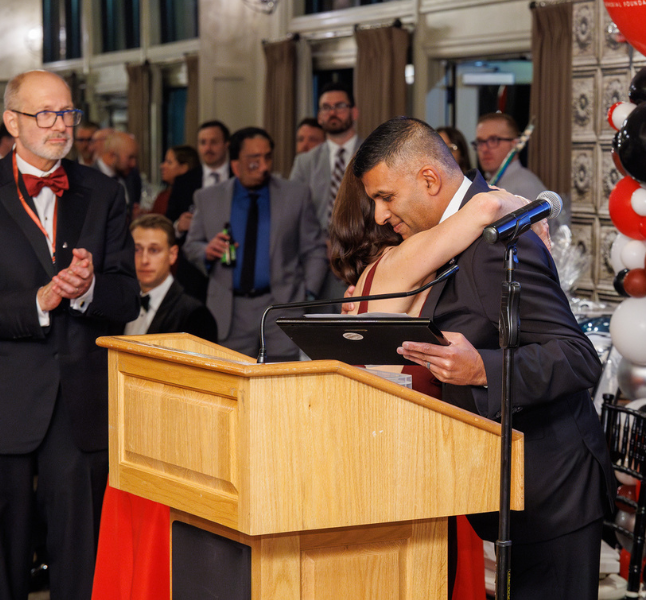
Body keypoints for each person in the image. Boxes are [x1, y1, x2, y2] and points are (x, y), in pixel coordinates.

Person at [352, 116, 614, 600]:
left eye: (385, 197)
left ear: (429, 178)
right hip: (502, 482)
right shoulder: (458, 229)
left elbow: (578, 356)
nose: (380, 215)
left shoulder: (497, 240)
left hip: (550, 485)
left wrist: (482, 369)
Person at [330, 161, 548, 600]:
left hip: (402, 458)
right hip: (405, 463)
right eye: (382, 200)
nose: (386, 211)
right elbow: (480, 209)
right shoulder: (400, 263)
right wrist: (525, 207)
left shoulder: (383, 277)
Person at [0, 69, 140, 600]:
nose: (61, 124)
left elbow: (127, 298)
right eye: (45, 113)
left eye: (68, 112)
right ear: (12, 122)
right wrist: (38, 302)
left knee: (82, 569)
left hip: (79, 406)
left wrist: (87, 290)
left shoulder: (104, 192)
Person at [91, 214, 216, 600]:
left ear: (173, 254)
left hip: (164, 457)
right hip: (110, 446)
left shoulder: (194, 314)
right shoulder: (110, 310)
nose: (144, 259)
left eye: (155, 250)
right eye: (137, 250)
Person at [183, 127, 329, 359]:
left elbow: (314, 249)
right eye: (254, 160)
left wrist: (308, 294)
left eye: (267, 157)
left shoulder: (295, 195)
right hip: (230, 310)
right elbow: (192, 245)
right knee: (231, 377)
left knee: (281, 377)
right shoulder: (208, 198)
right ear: (235, 165)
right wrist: (206, 251)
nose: (264, 166)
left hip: (281, 306)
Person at [290, 82, 362, 301]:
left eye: (339, 106)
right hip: (317, 265)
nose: (332, 112)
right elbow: (294, 214)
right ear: (320, 117)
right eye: (326, 107)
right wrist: (322, 244)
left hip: (363, 260)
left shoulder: (374, 154)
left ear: (354, 112)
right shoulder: (304, 162)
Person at [165, 120, 233, 302]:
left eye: (214, 142)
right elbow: (167, 223)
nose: (207, 148)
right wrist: (179, 226)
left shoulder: (239, 178)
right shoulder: (184, 181)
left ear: (226, 144)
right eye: (203, 143)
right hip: (192, 270)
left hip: (231, 265)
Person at [94, 130, 142, 216]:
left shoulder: (133, 176)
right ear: (112, 155)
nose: (133, 164)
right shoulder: (89, 177)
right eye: (130, 157)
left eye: (135, 158)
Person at [149, 145, 200, 217]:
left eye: (169, 162)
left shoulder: (195, 197)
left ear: (184, 168)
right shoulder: (163, 196)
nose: (162, 166)